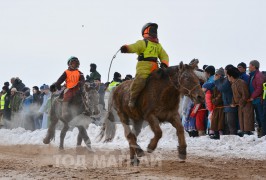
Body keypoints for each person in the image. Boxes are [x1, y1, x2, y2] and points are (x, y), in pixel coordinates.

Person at [120, 22, 169, 108]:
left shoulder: (158, 46)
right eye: (152, 29)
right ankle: (133, 99)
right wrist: (126, 48)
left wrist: (164, 64)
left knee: (163, 82)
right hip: (143, 68)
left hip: (155, 68)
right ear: (146, 31)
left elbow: (164, 55)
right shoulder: (143, 43)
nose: (154, 32)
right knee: (140, 81)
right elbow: (134, 47)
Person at [50, 56, 85, 121]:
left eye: (76, 63)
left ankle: (87, 109)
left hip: (78, 88)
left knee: (86, 96)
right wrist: (58, 85)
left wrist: (81, 83)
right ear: (69, 64)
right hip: (69, 87)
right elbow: (60, 80)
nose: (74, 65)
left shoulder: (80, 73)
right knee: (67, 95)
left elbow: (83, 80)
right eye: (73, 63)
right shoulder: (66, 72)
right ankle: (64, 112)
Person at [227, 67, 254, 135]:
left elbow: (245, 95)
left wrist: (240, 103)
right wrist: (233, 103)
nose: (227, 77)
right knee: (242, 123)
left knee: (247, 123)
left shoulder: (241, 82)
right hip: (240, 106)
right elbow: (234, 95)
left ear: (231, 76)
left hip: (246, 105)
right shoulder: (233, 84)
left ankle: (248, 135)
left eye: (228, 76)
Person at [248, 60, 265, 137]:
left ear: (254, 66)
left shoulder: (258, 75)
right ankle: (260, 131)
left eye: (250, 65)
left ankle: (263, 133)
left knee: (261, 116)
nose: (249, 66)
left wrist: (252, 97)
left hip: (259, 100)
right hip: (255, 100)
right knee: (258, 117)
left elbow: (259, 88)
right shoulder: (252, 75)